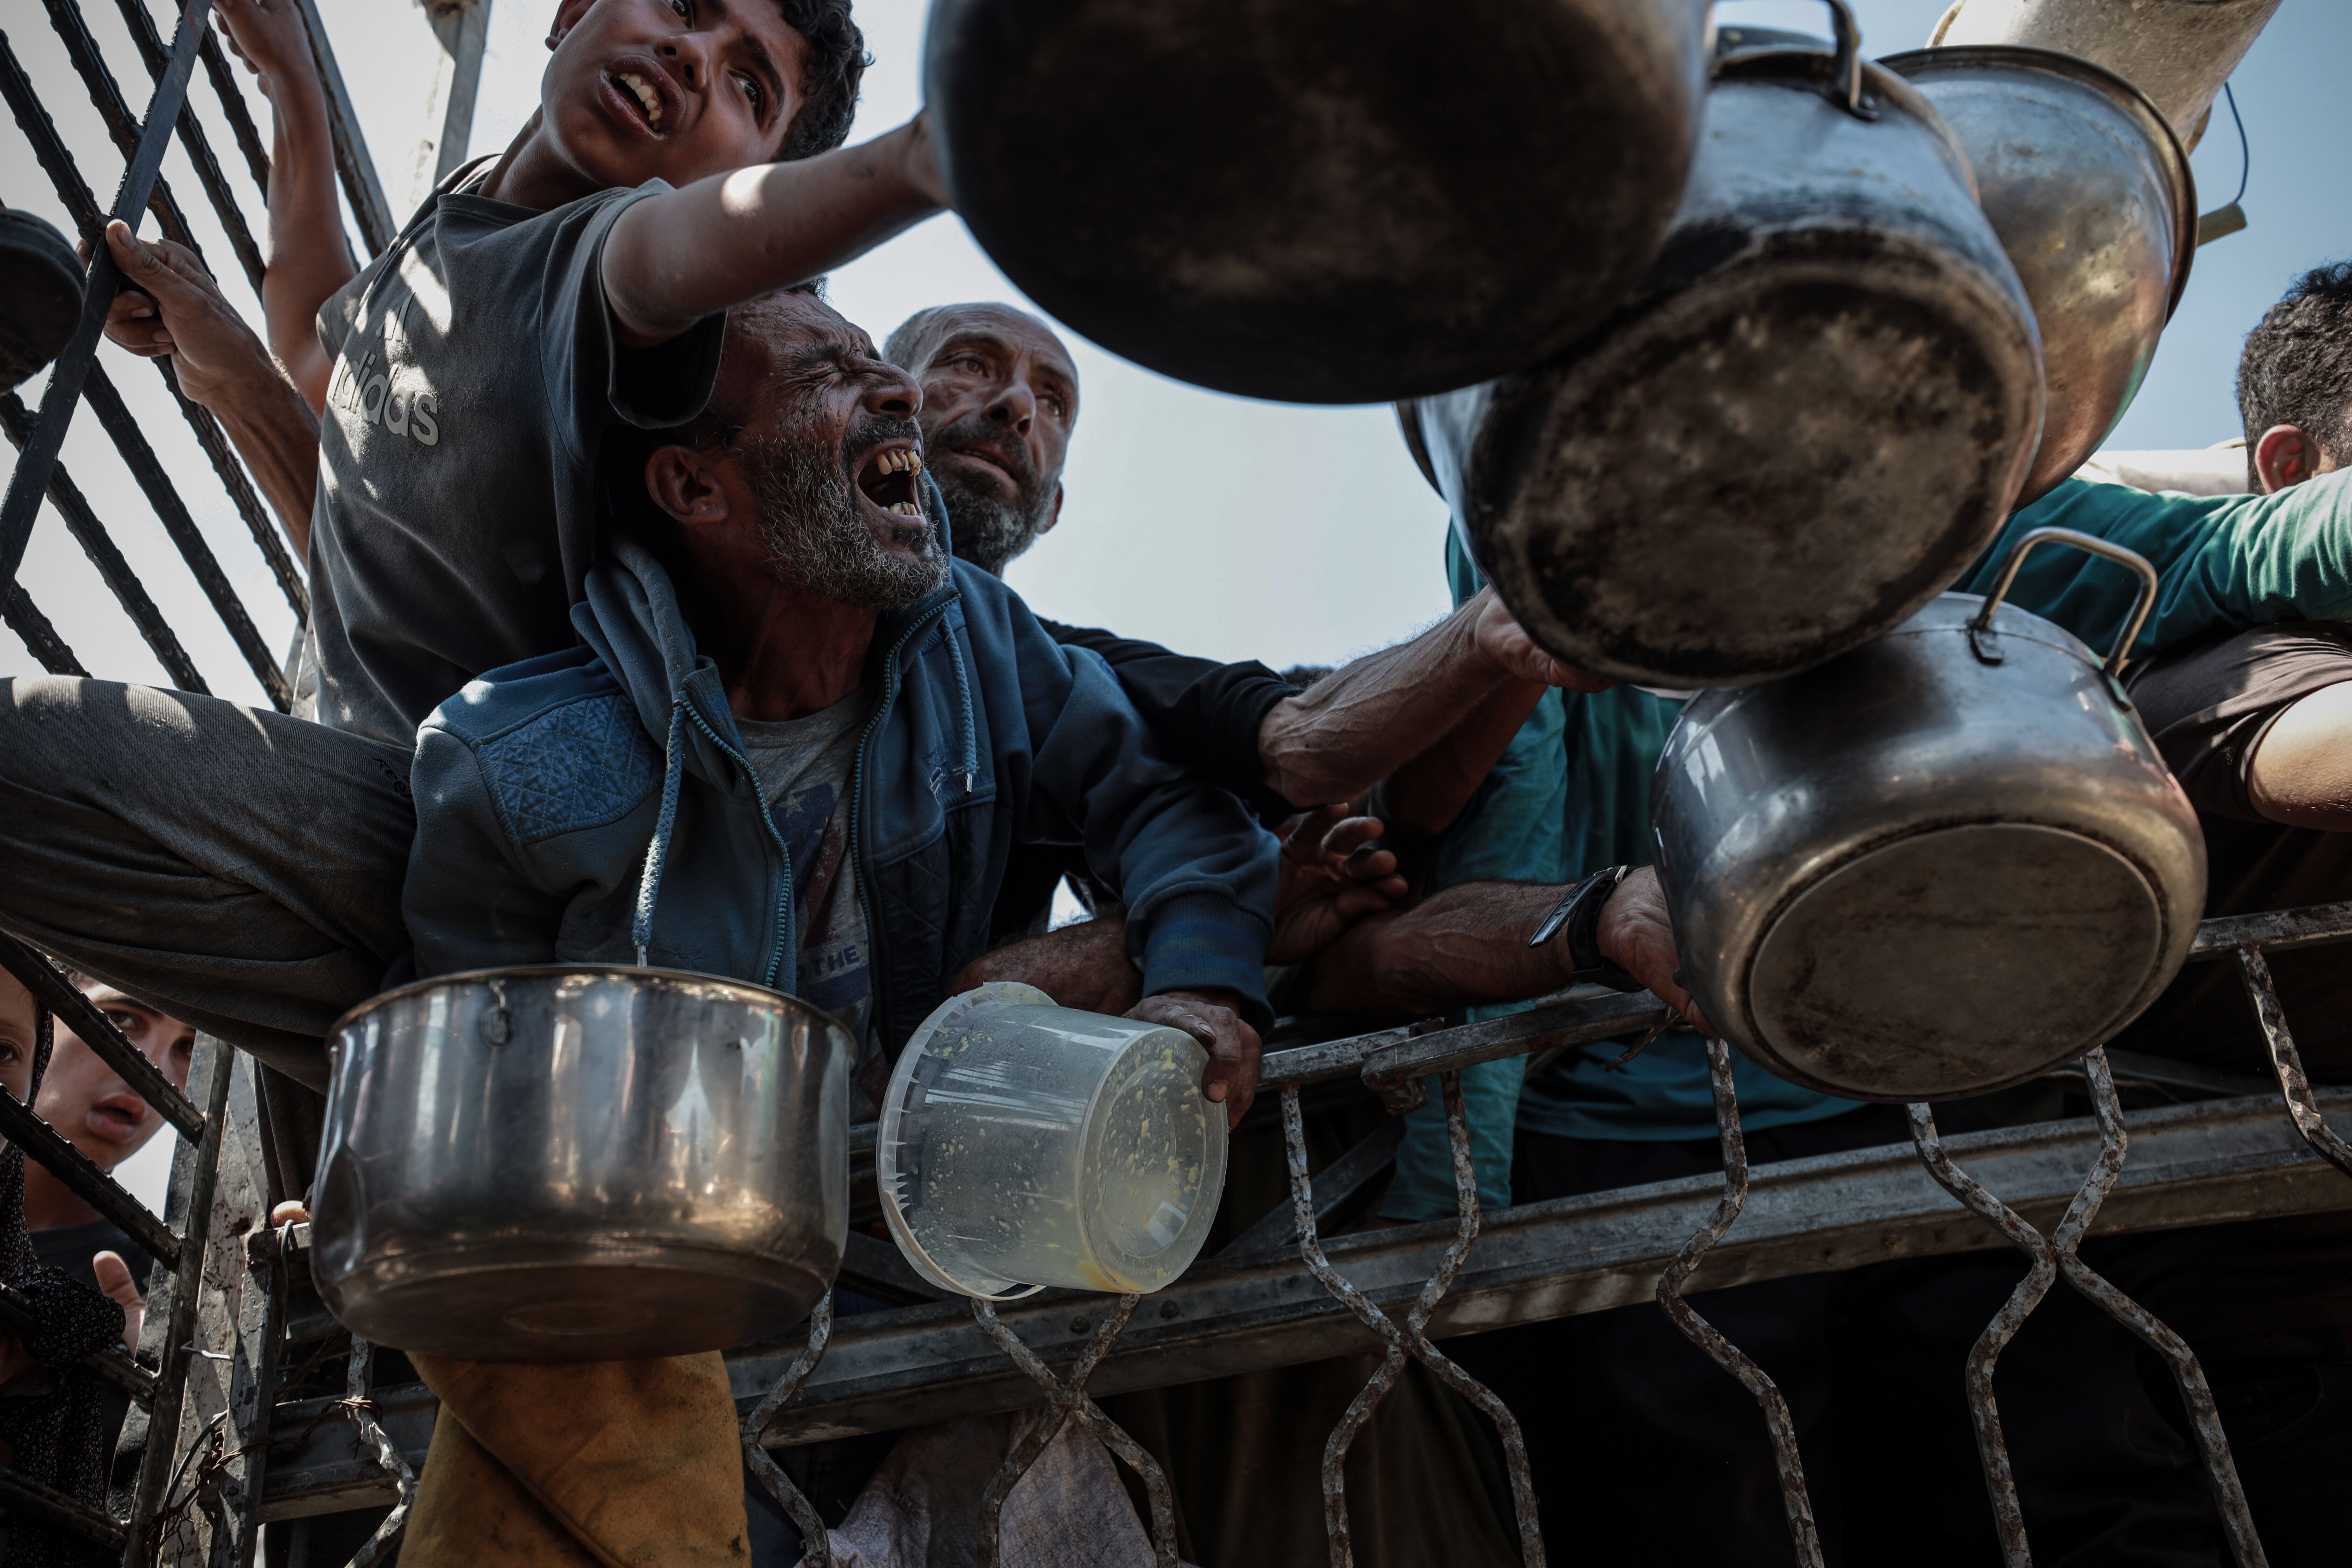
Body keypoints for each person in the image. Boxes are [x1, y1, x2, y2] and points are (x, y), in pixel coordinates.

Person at [393, 286, 1279, 1567]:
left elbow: (1170, 805)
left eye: (882, 362)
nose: (904, 392)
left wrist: (1200, 982)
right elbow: (468, 1125)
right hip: (665, 1350)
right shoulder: (502, 759)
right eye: (826, 372)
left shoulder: (977, 639)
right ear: (698, 491)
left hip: (942, 1297)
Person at [4, 0, 955, 1087]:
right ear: (571, 12)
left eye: (751, 88)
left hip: (517, 866)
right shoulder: (461, 222)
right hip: (377, 839)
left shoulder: (614, 264)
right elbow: (331, 353)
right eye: (685, 9)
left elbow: (682, 249)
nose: (695, 57)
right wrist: (295, 97)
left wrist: (931, 159)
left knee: (30, 755)